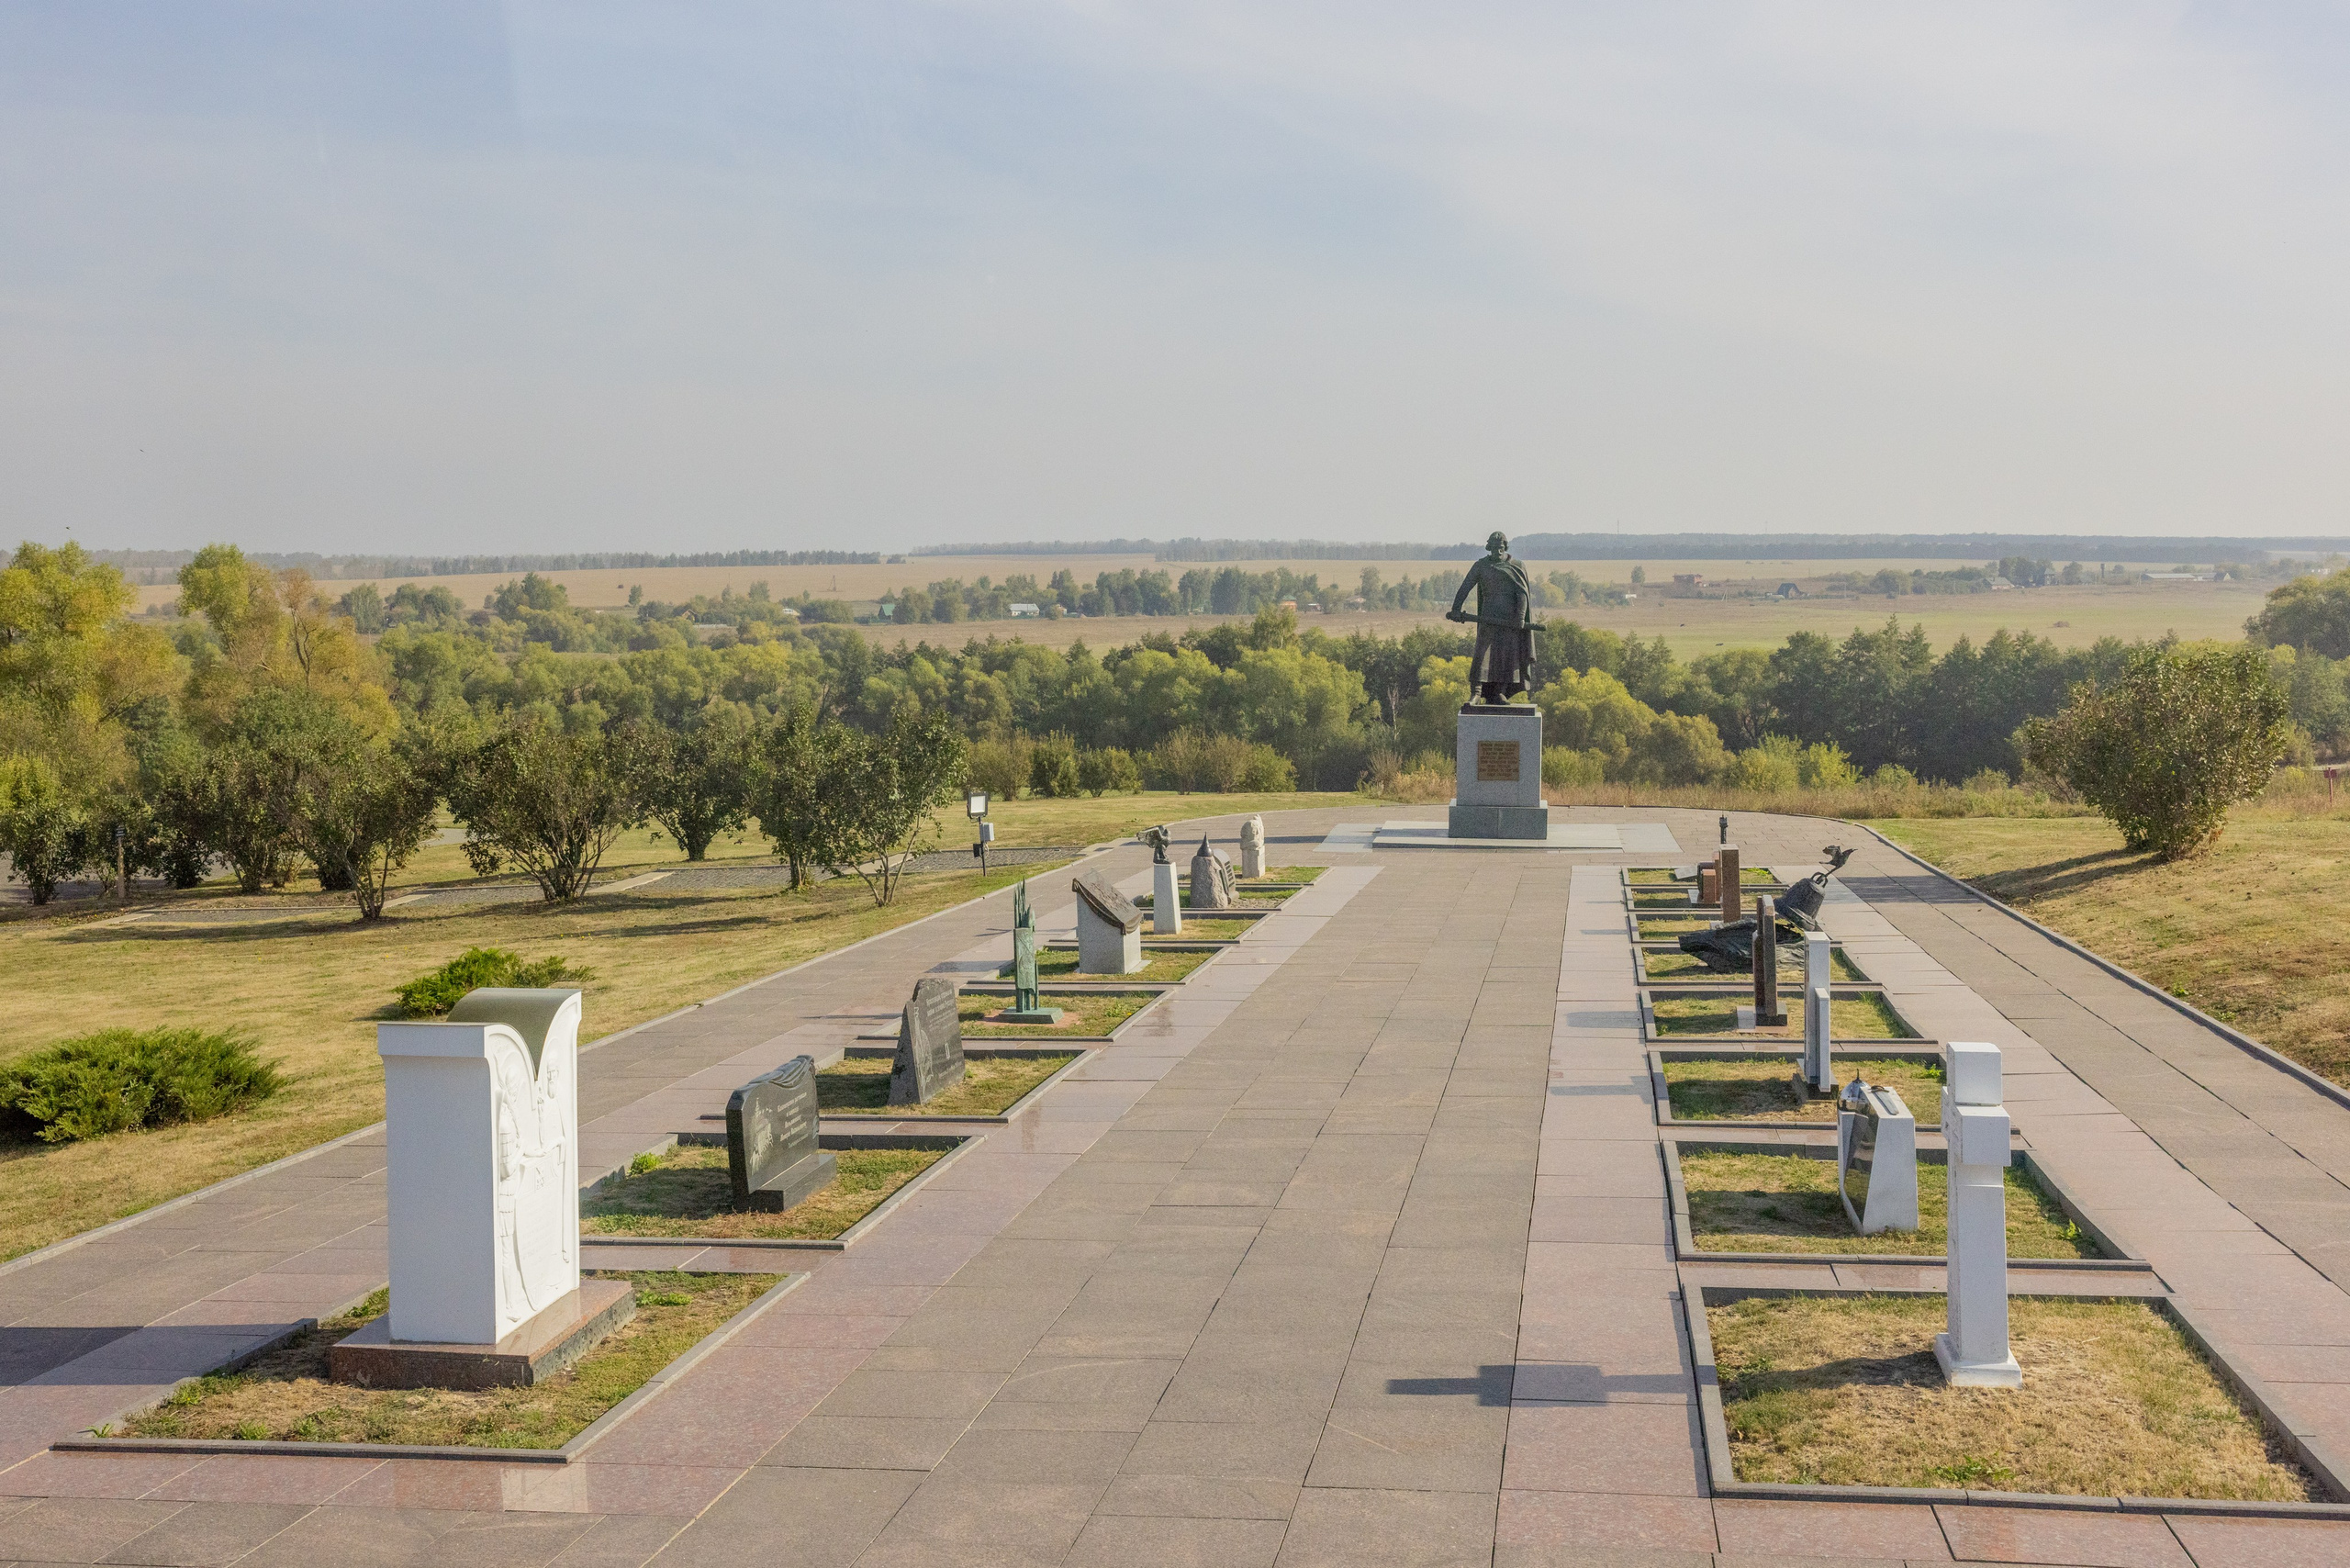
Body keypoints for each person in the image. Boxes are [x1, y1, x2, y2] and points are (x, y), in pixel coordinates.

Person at [1446, 531, 1537, 704]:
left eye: (1501, 547)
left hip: (1509, 622)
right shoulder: (1481, 566)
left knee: (1506, 656)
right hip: (1488, 618)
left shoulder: (1516, 565)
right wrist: (1456, 609)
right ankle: (1476, 693)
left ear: (1505, 547)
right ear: (1489, 548)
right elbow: (1465, 587)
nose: (1498, 551)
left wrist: (1519, 618)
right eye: (1494, 548)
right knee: (1482, 655)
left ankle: (1499, 693)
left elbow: (1522, 594)